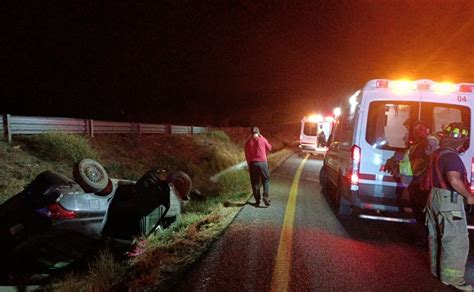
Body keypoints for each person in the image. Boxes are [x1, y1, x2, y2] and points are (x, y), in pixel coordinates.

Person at [425, 122, 474, 291]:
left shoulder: (438, 153)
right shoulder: (452, 157)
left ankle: (437, 271)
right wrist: (469, 196)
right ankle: (453, 278)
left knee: (436, 236)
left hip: (434, 196)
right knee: (456, 239)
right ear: (460, 142)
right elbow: (453, 179)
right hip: (449, 200)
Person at [244, 127, 272, 207]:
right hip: (263, 162)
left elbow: (247, 156)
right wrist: (263, 138)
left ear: (251, 133)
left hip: (253, 164)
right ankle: (265, 196)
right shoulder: (262, 139)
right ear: (259, 132)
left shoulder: (248, 142)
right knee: (266, 180)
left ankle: (257, 201)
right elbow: (270, 148)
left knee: (255, 183)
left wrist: (249, 164)